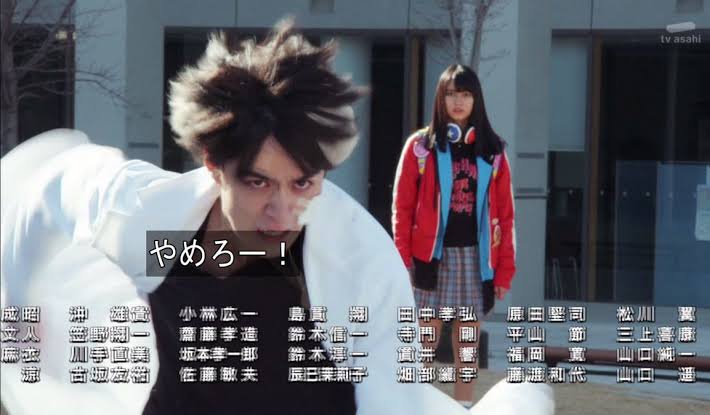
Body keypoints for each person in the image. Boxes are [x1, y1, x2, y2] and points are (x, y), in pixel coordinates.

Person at [1, 21, 552, 415]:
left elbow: (392, 398)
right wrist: (22, 304)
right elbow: (53, 185)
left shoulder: (355, 262)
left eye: (303, 183)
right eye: (258, 182)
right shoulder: (153, 227)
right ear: (213, 165)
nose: (282, 211)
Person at [392, 64, 516, 408]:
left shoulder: (493, 150)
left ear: (476, 99)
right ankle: (416, 408)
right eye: (451, 94)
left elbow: (506, 216)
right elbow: (402, 208)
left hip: (475, 258)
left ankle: (463, 408)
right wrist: (403, 260)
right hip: (430, 256)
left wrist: (504, 271)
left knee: (467, 346)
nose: (458, 102)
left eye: (465, 94)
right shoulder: (421, 147)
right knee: (424, 342)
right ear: (440, 98)